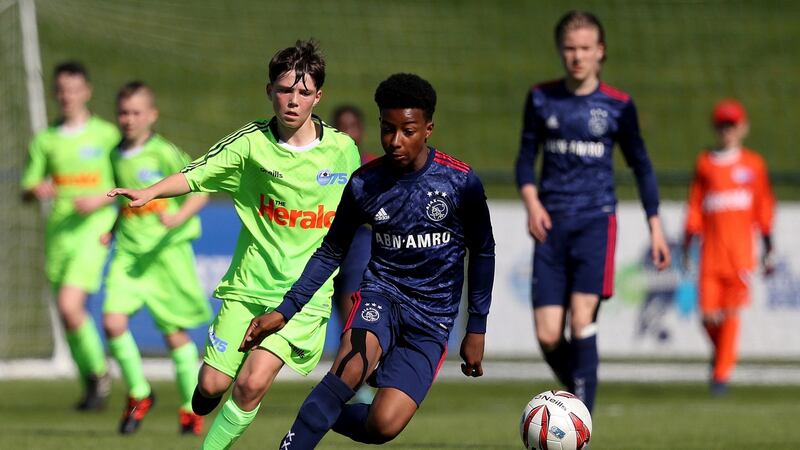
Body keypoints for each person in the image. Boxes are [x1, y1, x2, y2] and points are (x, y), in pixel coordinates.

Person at [107, 40, 360, 448]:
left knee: (251, 383)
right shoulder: (250, 144)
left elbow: (362, 205)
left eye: (302, 91)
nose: (292, 100)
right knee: (211, 386)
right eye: (283, 89)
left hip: (303, 295)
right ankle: (205, 397)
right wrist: (150, 191)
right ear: (269, 92)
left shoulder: (342, 151)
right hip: (248, 287)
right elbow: (196, 174)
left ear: (318, 96)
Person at [240, 72, 496, 448]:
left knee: (383, 426)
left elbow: (484, 250)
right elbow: (331, 251)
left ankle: (318, 411)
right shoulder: (364, 184)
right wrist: (285, 310)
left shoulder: (460, 183)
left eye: (407, 131)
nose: (395, 141)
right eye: (387, 129)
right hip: (382, 296)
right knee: (350, 369)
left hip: (433, 317)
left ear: (428, 128)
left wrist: (476, 327)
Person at [514, 10, 671, 412]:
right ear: (560, 51)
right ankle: (580, 403)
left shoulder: (617, 105)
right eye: (570, 48)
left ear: (600, 52)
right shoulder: (541, 98)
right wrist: (532, 204)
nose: (577, 56)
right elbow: (524, 158)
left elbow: (641, 165)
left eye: (585, 48)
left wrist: (656, 226)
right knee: (549, 334)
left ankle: (583, 416)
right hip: (550, 225)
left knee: (582, 319)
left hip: (595, 221)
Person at [102, 82, 212, 434]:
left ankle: (189, 409)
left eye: (136, 113)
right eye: (123, 112)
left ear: (151, 115)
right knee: (112, 323)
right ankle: (139, 392)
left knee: (174, 334)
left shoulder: (163, 151)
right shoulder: (115, 155)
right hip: (130, 256)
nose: (129, 119)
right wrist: (113, 227)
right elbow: (125, 201)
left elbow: (201, 189)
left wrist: (178, 217)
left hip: (166, 255)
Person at [20, 61, 119, 411]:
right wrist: (37, 189)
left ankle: (99, 373)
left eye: (73, 89)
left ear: (86, 92)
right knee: (67, 316)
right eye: (61, 90)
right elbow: (28, 187)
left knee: (69, 304)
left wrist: (101, 197)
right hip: (59, 233)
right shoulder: (45, 140)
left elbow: (127, 178)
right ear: (54, 93)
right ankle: (92, 384)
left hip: (94, 232)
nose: (67, 96)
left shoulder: (107, 135)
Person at [682, 99, 775, 396]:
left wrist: (768, 244)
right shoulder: (705, 163)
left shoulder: (753, 165)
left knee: (732, 314)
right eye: (722, 125)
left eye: (732, 125)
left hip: (740, 257)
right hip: (711, 256)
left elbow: (763, 207)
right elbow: (695, 206)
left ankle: (721, 377)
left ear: (743, 128)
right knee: (708, 317)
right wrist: (687, 242)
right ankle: (722, 354)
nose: (727, 131)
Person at [330, 105, 378, 405]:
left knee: (353, 316)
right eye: (341, 126)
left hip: (359, 246)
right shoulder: (323, 164)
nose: (348, 132)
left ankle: (359, 383)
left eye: (353, 126)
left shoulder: (372, 167)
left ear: (361, 130)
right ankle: (350, 378)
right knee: (337, 317)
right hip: (328, 246)